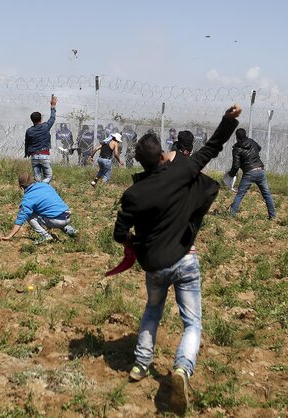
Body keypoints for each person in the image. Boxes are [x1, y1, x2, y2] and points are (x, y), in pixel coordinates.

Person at [113, 104, 242, 415]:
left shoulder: (133, 194)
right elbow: (211, 148)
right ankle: (182, 369)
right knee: (192, 322)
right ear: (162, 156)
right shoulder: (182, 170)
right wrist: (226, 121)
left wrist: (134, 243)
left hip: (154, 266)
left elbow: (119, 234)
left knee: (152, 311)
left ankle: (141, 366)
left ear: (138, 162)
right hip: (185, 260)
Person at [0, 172, 77, 244]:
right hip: (67, 215)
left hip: (56, 220)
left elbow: (20, 219)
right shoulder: (45, 185)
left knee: (29, 215)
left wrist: (9, 236)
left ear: (22, 186)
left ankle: (45, 236)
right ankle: (71, 231)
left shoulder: (28, 198)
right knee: (51, 210)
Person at [227, 128, 276, 219]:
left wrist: (231, 175)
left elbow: (236, 165)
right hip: (260, 170)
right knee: (266, 194)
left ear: (236, 137)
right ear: (245, 135)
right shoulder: (252, 142)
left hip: (249, 173)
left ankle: (231, 215)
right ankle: (272, 216)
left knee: (240, 194)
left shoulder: (236, 149)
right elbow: (259, 148)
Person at [24, 95, 58, 183]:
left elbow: (27, 142)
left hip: (34, 156)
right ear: (41, 119)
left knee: (37, 178)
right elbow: (52, 118)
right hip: (44, 155)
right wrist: (53, 106)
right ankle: (43, 186)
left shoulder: (29, 131)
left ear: (32, 120)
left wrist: (26, 152)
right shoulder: (45, 126)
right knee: (48, 176)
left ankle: (38, 187)